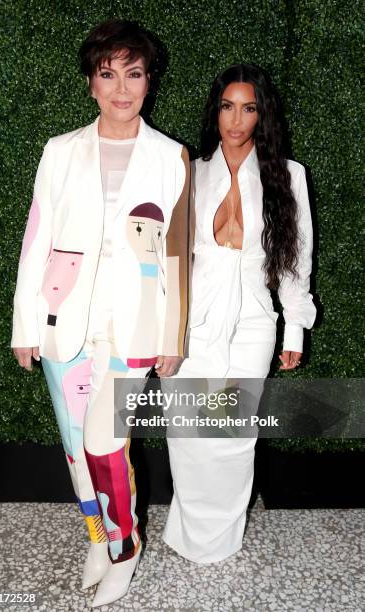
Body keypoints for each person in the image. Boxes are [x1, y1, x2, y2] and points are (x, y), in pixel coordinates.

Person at [11, 19, 190, 606]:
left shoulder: (171, 158)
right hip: (64, 320)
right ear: (91, 84)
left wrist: (174, 334)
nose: (121, 88)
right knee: (72, 442)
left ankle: (124, 547)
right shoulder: (60, 151)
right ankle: (97, 533)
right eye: (108, 74)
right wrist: (25, 322)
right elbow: (36, 239)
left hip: (133, 324)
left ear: (148, 82)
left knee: (103, 444)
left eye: (133, 74)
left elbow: (178, 257)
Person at [162, 64, 316, 563]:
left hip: (252, 321)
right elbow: (170, 255)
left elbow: (295, 258)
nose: (236, 119)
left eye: (248, 108)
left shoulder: (287, 176)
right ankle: (187, 535)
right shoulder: (191, 169)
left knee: (230, 435)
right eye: (228, 106)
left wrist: (294, 325)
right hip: (193, 319)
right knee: (187, 431)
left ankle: (220, 541)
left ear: (261, 114)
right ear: (215, 110)